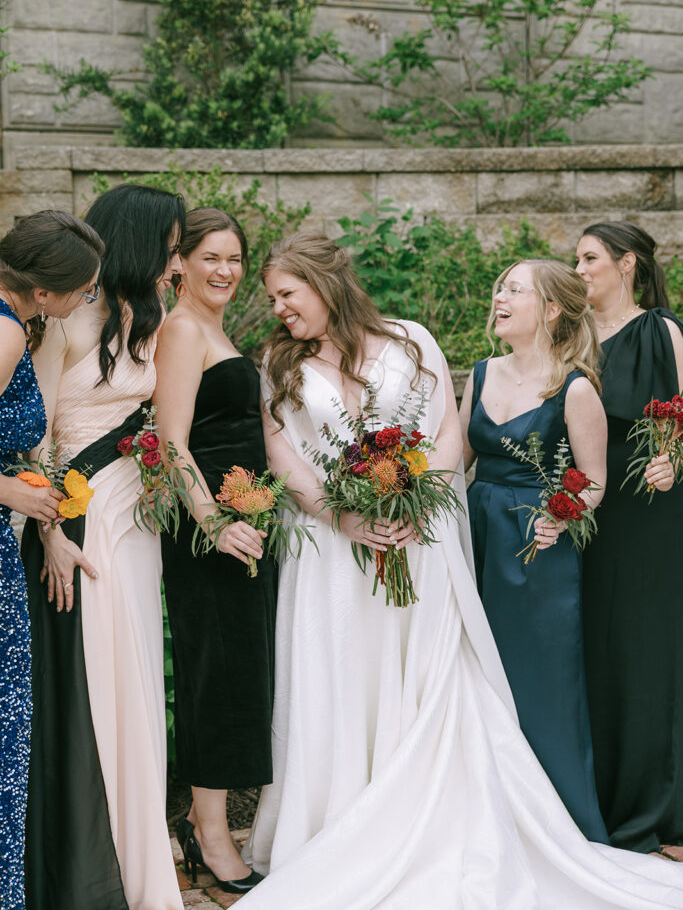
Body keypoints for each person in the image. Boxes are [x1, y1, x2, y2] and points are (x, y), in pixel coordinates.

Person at [238, 232, 683, 910]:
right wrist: (342, 514)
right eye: (272, 299)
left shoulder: (410, 340)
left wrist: (421, 503)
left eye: (286, 295)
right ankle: (337, 821)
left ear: (323, 283)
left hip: (425, 537)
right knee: (339, 674)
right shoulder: (277, 360)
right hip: (333, 548)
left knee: (430, 675)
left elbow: (445, 431)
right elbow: (281, 454)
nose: (278, 310)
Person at [21, 184, 186, 910]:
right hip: (78, 522)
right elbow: (37, 434)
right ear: (140, 240)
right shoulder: (68, 322)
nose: (176, 262)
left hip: (134, 519)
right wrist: (52, 533)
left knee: (136, 674)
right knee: (92, 682)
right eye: (172, 246)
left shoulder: (146, 318)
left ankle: (139, 844)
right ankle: (92, 867)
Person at [460, 259, 608, 841]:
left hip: (536, 552)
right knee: (474, 676)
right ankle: (484, 819)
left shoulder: (575, 389)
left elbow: (593, 480)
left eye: (514, 290)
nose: (499, 296)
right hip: (475, 540)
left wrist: (562, 513)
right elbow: (456, 465)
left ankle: (558, 826)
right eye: (499, 287)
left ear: (550, 310)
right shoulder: (479, 373)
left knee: (541, 684)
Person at [154, 208, 276, 895]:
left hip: (243, 525)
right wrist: (212, 523)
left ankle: (214, 826)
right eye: (210, 259)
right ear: (179, 263)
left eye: (234, 259)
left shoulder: (212, 328)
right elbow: (172, 442)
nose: (225, 271)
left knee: (238, 676)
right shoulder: (180, 330)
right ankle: (209, 832)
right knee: (217, 677)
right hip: (210, 536)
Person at [0, 211, 103, 910]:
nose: (84, 303)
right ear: (45, 293)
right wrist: (12, 491)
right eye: (83, 292)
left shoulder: (20, 324)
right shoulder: (5, 329)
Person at [576, 220, 683, 855]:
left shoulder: (662, 332)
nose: (580, 268)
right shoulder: (577, 336)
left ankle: (656, 804)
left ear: (627, 265)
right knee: (595, 647)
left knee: (644, 648)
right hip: (588, 510)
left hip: (651, 511)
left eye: (590, 258)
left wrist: (677, 458)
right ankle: (600, 796)